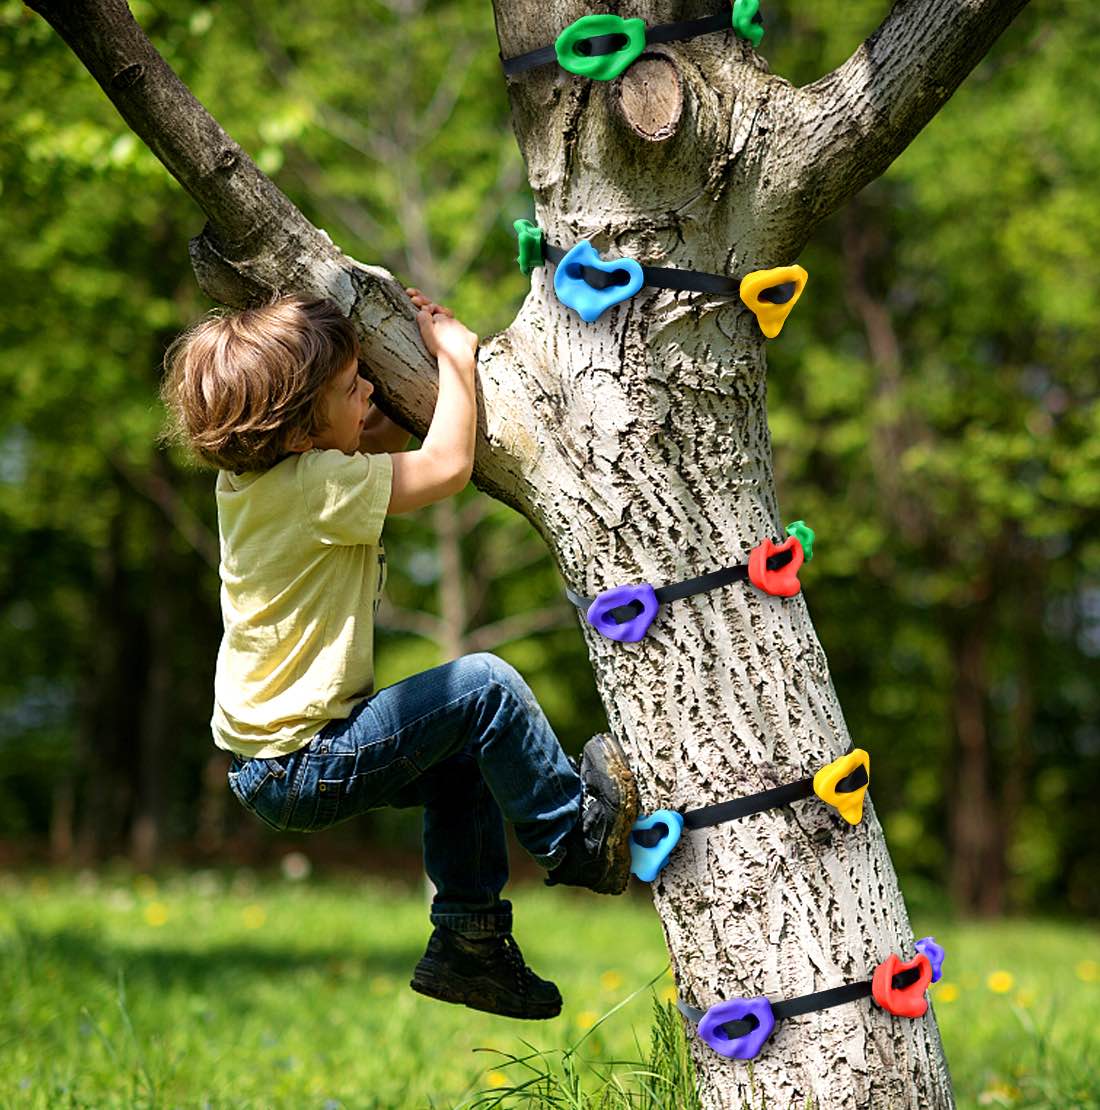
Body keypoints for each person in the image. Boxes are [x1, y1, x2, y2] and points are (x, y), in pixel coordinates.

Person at [160, 289, 639, 1020]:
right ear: (299, 435)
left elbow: (369, 437)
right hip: (306, 760)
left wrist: (385, 351)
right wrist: (456, 359)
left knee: (462, 759)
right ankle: (574, 840)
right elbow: (444, 467)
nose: (372, 395)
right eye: (354, 388)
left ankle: (468, 942)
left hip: (271, 768)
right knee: (486, 689)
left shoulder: (253, 482)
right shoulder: (319, 487)